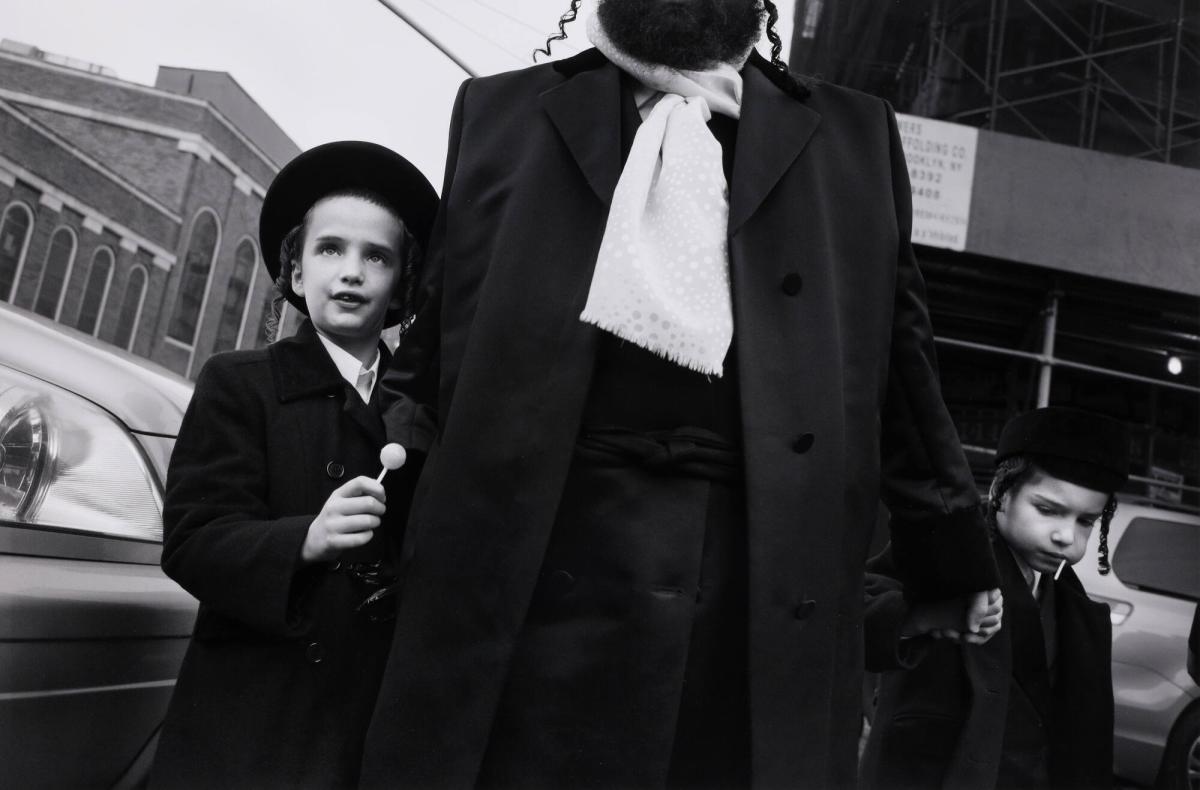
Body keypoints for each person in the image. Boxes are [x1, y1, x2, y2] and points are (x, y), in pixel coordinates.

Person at [361, 1, 1000, 787]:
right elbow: (429, 350)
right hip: (524, 584)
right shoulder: (500, 112)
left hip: (756, 588)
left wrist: (951, 567)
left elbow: (903, 369)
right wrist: (375, 513)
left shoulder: (855, 137)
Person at [149, 141, 437, 789]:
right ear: (298, 273)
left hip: (364, 721)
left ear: (401, 289)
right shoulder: (238, 384)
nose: (352, 271)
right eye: (330, 249)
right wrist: (304, 539)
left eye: (377, 256)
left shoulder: (423, 410)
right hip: (251, 721)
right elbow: (192, 543)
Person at [860, 406, 1131, 790]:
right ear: (1000, 491)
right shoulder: (946, 553)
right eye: (1047, 510)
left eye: (1085, 521)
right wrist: (925, 615)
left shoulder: (1074, 606)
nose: (1066, 536)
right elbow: (854, 614)